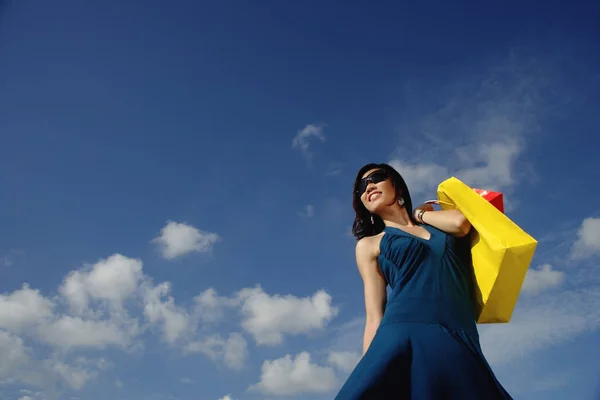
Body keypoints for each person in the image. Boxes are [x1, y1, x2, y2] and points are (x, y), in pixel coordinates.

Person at [334, 163, 512, 400]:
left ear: (397, 185)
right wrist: (370, 367)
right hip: (402, 332)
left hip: (459, 333)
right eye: (361, 188)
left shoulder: (438, 224)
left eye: (376, 178)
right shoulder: (369, 245)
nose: (368, 187)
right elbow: (374, 315)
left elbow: (461, 223)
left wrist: (420, 214)